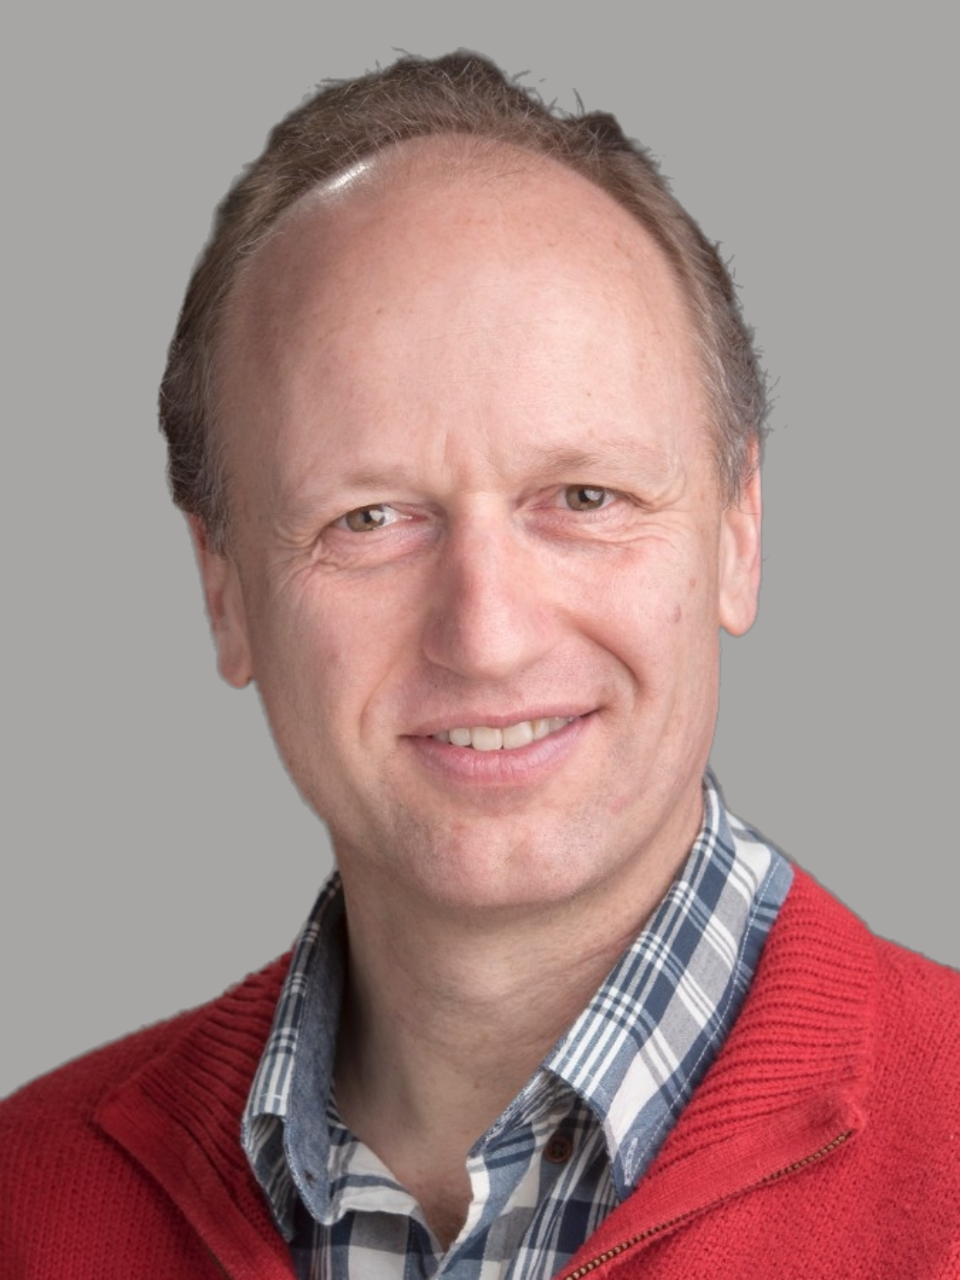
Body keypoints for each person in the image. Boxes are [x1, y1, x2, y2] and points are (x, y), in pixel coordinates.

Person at [1, 50, 957, 1280]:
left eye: (585, 496)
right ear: (222, 586)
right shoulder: (25, 1204)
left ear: (740, 530)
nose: (489, 632)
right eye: (369, 518)